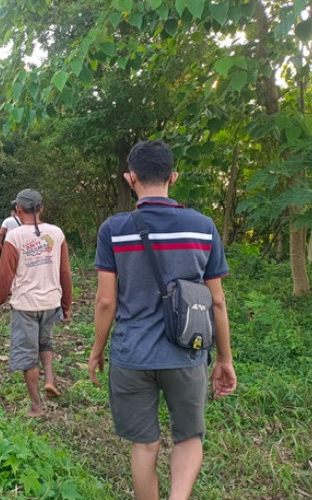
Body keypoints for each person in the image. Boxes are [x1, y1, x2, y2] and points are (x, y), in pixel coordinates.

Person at [88, 140, 237, 500]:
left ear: (130, 178)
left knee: (144, 444)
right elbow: (217, 301)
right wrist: (224, 358)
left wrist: (96, 350)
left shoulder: (114, 229)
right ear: (173, 177)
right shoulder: (202, 227)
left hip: (131, 354)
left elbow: (106, 300)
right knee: (188, 437)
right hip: (187, 353)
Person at [0, 189, 72, 418]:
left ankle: (36, 406)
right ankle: (50, 379)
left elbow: (5, 277)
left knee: (27, 354)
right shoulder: (57, 233)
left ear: (18, 210)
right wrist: (66, 305)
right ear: (41, 209)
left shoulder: (14, 237)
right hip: (51, 302)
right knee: (45, 343)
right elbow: (65, 272)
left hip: (25, 305)